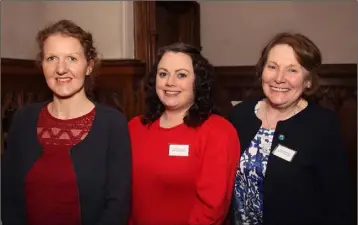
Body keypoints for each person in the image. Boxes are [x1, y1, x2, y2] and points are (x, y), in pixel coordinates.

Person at [1, 19, 131, 225]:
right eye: (51, 58)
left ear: (88, 66)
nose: (61, 69)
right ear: (41, 64)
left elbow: (117, 204)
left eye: (71, 58)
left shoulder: (112, 124)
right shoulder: (23, 119)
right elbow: (7, 195)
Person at [228, 32, 354, 225]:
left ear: (308, 80)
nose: (279, 78)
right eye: (272, 67)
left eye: (292, 70)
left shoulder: (323, 126)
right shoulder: (240, 115)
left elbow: (339, 203)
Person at [128, 42, 240, 225]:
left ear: (198, 81)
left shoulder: (218, 132)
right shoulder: (135, 127)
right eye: (163, 74)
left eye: (181, 75)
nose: (170, 82)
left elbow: (213, 207)